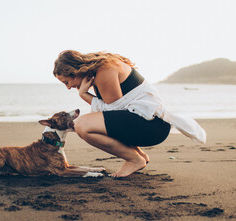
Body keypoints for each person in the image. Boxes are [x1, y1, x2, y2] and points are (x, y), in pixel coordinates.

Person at [53, 50, 206, 178]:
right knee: (92, 122)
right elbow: (115, 115)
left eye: (66, 82)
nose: (68, 87)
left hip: (153, 127)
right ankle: (139, 156)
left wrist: (83, 94)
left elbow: (113, 112)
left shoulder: (104, 71)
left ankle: (134, 159)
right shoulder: (100, 70)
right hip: (148, 124)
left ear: (74, 72)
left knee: (81, 125)